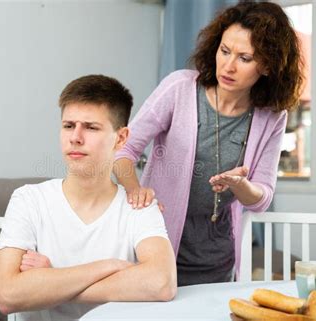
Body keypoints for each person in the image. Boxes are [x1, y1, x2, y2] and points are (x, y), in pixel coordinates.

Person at [112, 1, 304, 286]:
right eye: (224, 51)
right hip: (157, 243)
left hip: (218, 256)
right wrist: (134, 189)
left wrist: (241, 187)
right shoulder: (179, 89)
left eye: (245, 58)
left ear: (267, 65)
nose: (228, 66)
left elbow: (262, 197)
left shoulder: (272, 117)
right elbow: (124, 150)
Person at [0, 75, 177, 320]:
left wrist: (52, 280)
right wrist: (107, 267)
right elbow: (8, 295)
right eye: (69, 125)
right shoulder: (28, 199)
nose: (75, 137)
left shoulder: (140, 205)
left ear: (121, 138)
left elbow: (161, 282)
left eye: (91, 127)